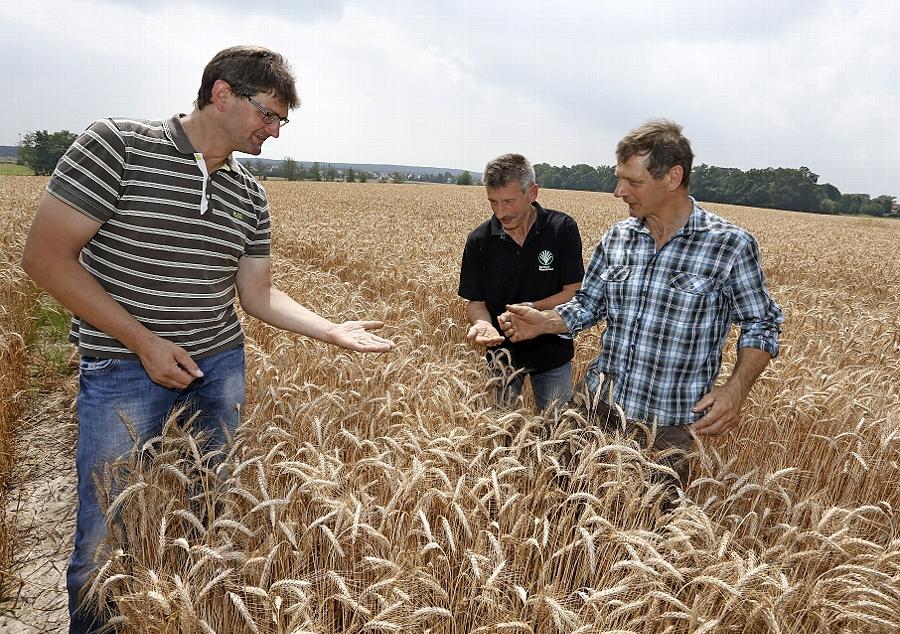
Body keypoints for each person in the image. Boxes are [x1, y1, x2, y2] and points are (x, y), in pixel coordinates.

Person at [20, 46, 395, 633]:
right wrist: (144, 343)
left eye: (281, 121)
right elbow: (45, 259)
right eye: (268, 115)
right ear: (222, 94)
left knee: (207, 515)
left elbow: (257, 295)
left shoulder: (249, 194)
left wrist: (330, 329)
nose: (274, 131)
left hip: (217, 368)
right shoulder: (117, 146)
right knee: (105, 532)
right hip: (122, 366)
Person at [499, 120, 783, 482]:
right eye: (619, 179)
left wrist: (735, 390)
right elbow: (589, 304)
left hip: (668, 428)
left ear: (673, 177)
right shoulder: (617, 238)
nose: (619, 191)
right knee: (568, 500)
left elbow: (762, 323)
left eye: (633, 182)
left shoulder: (729, 245)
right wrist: (546, 321)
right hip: (596, 408)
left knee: (652, 515)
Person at [459, 153, 584, 411]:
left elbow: (574, 291)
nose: (500, 212)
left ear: (532, 193)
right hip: (501, 355)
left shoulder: (561, 229)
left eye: (508, 201)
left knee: (557, 425)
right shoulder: (479, 240)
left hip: (553, 351)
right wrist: (483, 324)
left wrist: (531, 309)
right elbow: (476, 302)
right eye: (493, 202)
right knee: (499, 427)